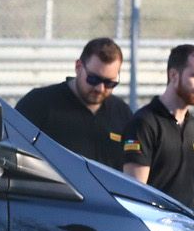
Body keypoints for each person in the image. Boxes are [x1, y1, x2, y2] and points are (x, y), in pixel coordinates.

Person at [15, 37, 133, 170]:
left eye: (109, 83)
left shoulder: (122, 113)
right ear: (78, 67)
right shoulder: (39, 104)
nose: (100, 88)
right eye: (93, 79)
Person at [123, 44, 194, 207]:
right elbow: (134, 193)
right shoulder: (145, 123)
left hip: (184, 221)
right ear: (173, 75)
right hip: (152, 220)